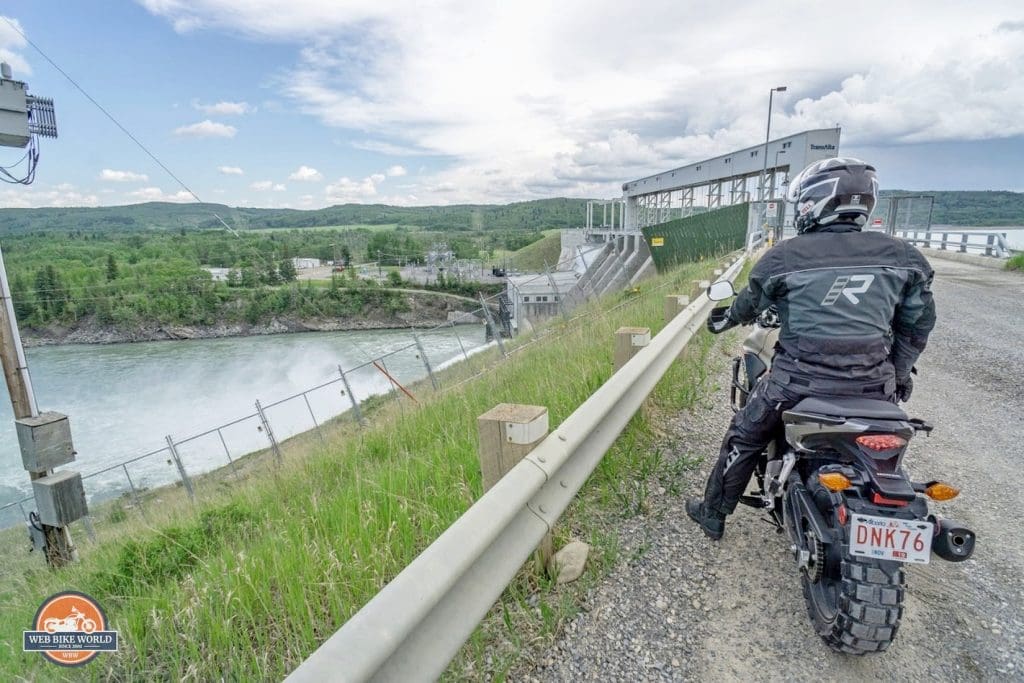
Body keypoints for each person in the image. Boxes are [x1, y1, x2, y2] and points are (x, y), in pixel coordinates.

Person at [686, 157, 936, 540]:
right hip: (873, 387)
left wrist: (723, 319)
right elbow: (917, 326)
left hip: (797, 383)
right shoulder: (903, 258)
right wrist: (898, 373)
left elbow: (748, 305)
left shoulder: (787, 257)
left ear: (811, 203)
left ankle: (713, 513)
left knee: (744, 434)